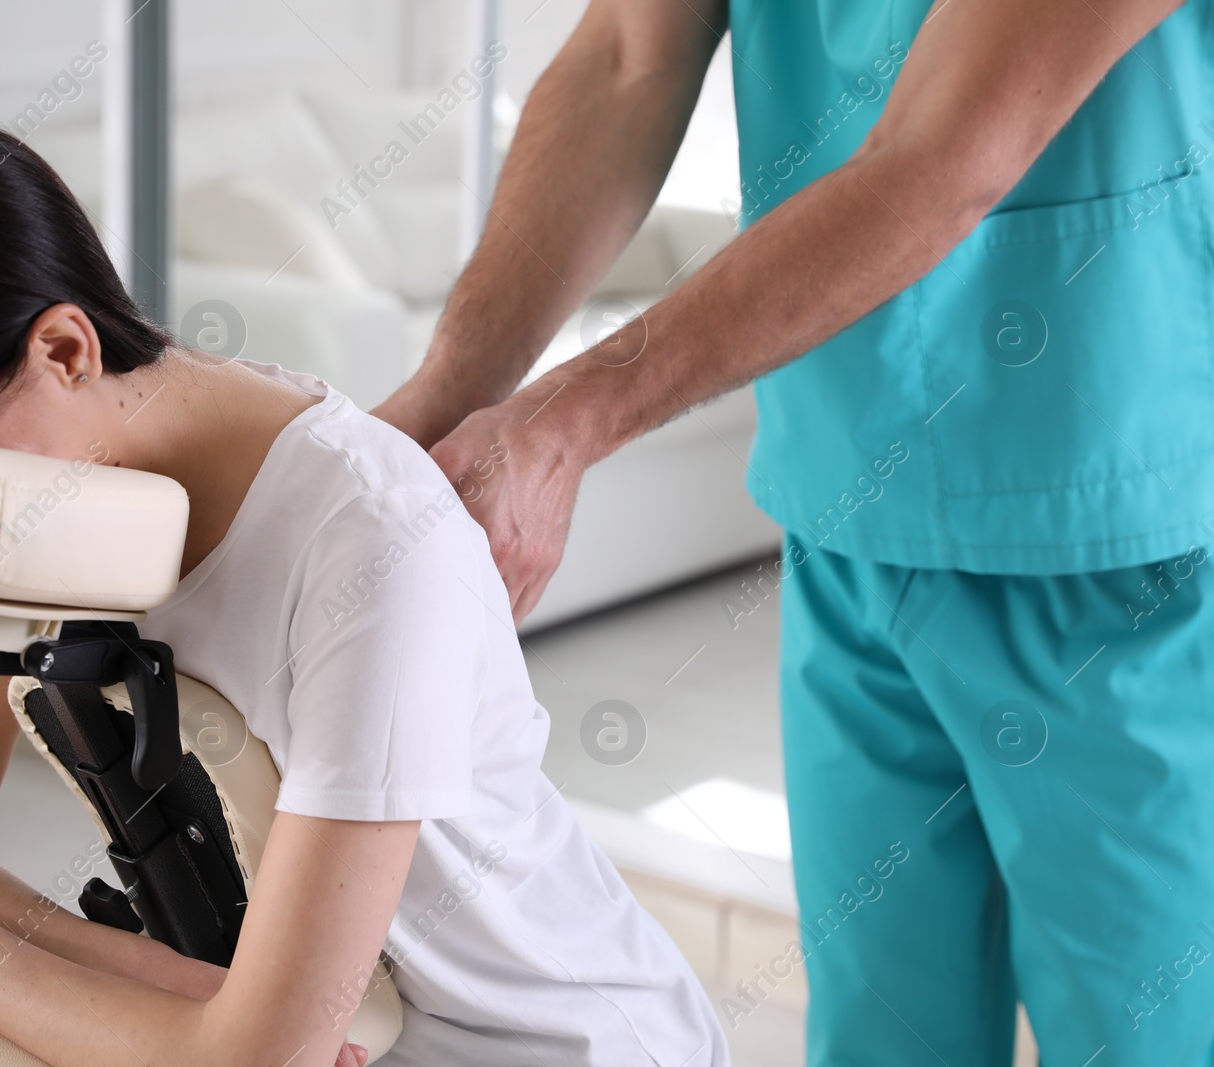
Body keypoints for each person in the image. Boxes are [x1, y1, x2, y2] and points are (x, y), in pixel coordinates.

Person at [0, 104, 726, 1067]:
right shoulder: (24, 501)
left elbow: (252, 1050)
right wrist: (206, 999)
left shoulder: (367, 538)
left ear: (63, 349)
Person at [374, 0, 1213, 1062]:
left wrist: (568, 419)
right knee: (880, 1033)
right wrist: (445, 394)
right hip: (848, 503)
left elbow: (946, 153)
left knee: (1146, 1035)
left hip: (1101, 529)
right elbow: (628, 58)